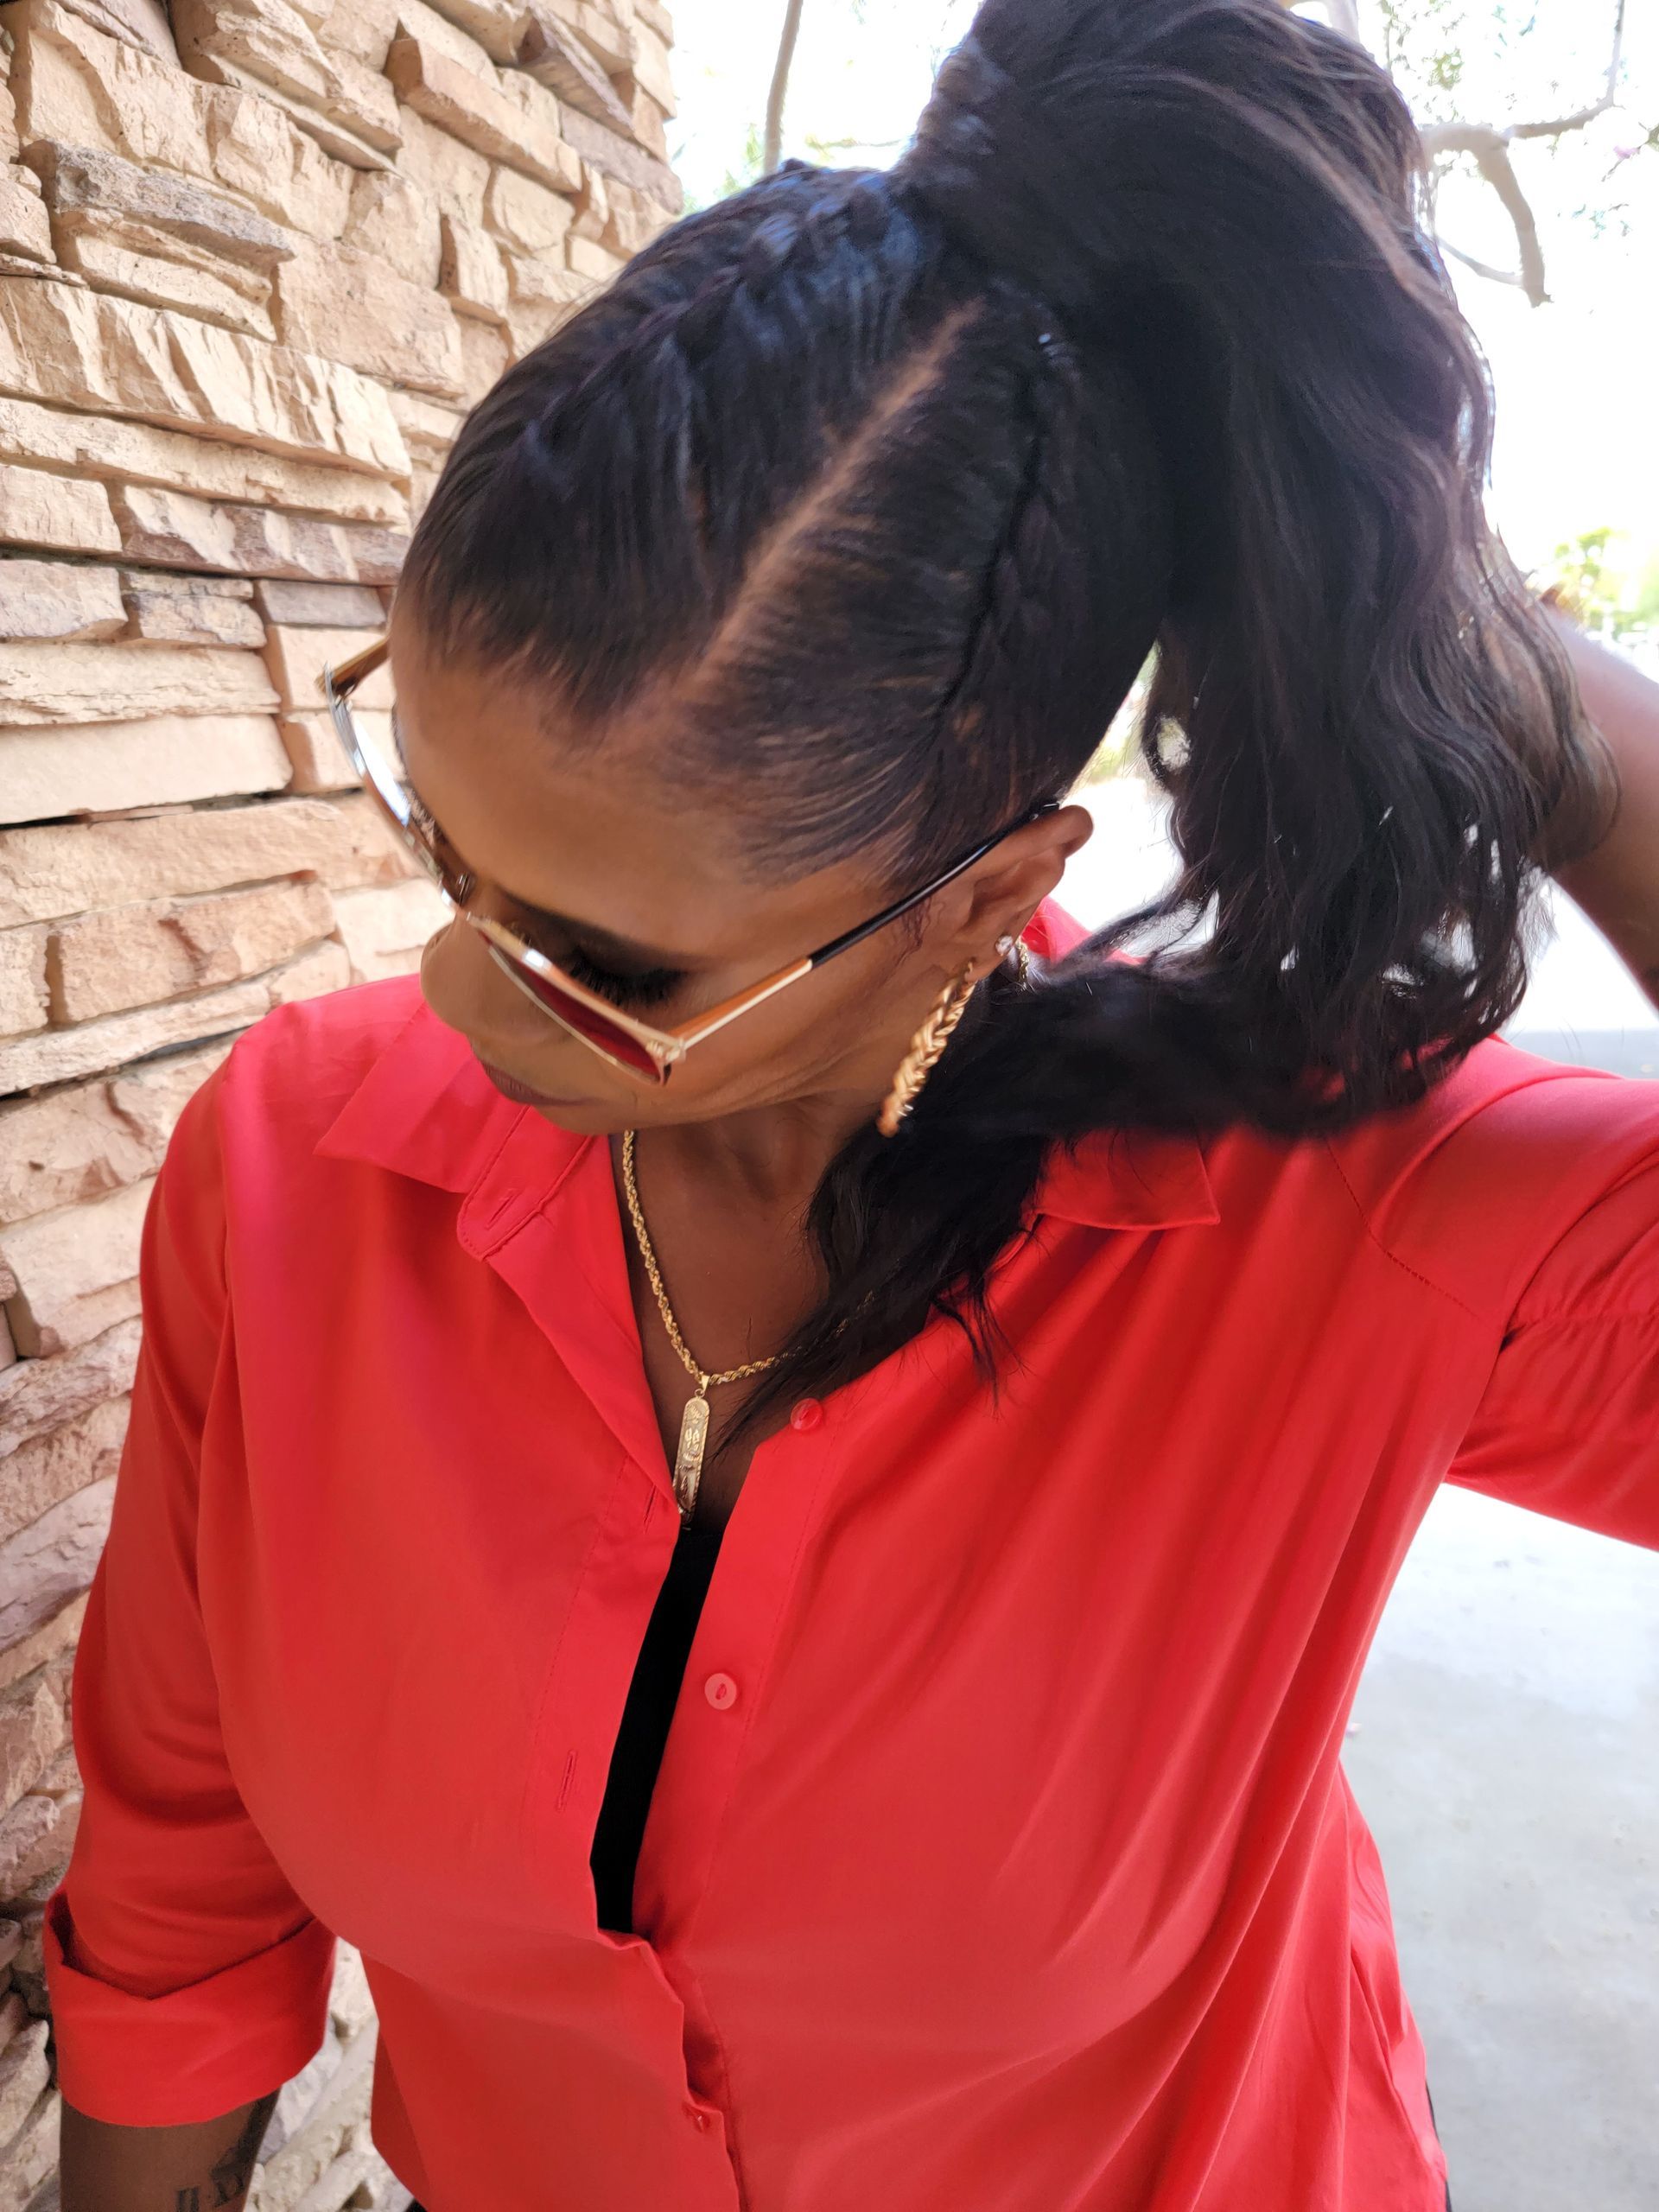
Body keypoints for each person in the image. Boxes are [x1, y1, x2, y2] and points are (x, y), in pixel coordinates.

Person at [45, 2, 1659, 2208]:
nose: (452, 986)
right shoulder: (295, 1166)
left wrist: (1500, 685)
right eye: (436, 836)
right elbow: (184, 1886)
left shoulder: (1343, 1218)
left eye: (612, 968)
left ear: (983, 893)